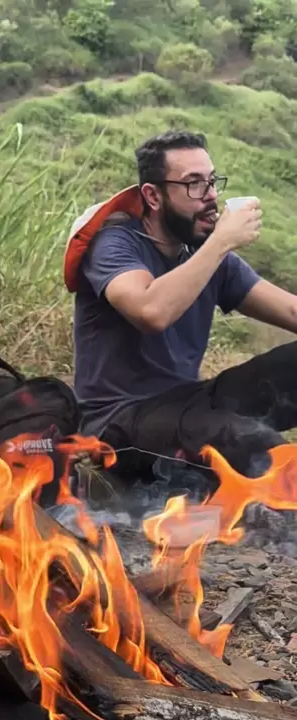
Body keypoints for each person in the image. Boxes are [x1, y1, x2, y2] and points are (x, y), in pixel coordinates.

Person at [65, 130, 297, 481]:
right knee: (252, 445)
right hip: (118, 423)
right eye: (193, 184)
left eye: (212, 181)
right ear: (153, 196)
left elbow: (290, 310)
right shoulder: (114, 245)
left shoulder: (205, 254)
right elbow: (151, 312)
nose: (211, 195)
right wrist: (221, 241)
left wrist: (215, 248)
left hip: (190, 401)